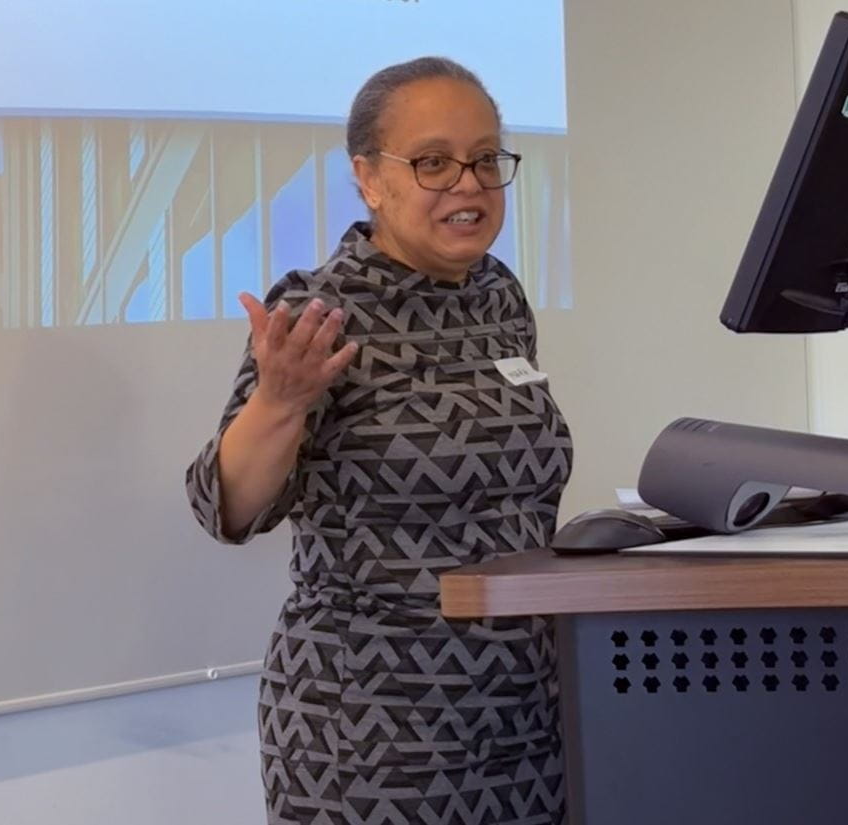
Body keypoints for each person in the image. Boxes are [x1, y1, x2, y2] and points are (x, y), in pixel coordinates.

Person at [185, 56, 573, 825]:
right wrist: (279, 399)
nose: (468, 183)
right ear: (369, 178)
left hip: (527, 720)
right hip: (372, 732)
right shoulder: (317, 311)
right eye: (433, 162)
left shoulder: (499, 295)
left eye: (486, 158)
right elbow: (225, 507)